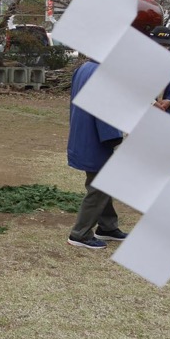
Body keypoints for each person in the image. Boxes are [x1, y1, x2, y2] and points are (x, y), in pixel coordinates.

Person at [66, 57, 127, 249]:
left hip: (83, 132)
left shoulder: (84, 68)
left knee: (101, 182)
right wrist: (114, 137)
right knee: (99, 185)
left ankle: (107, 226)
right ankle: (80, 233)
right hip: (97, 136)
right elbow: (104, 112)